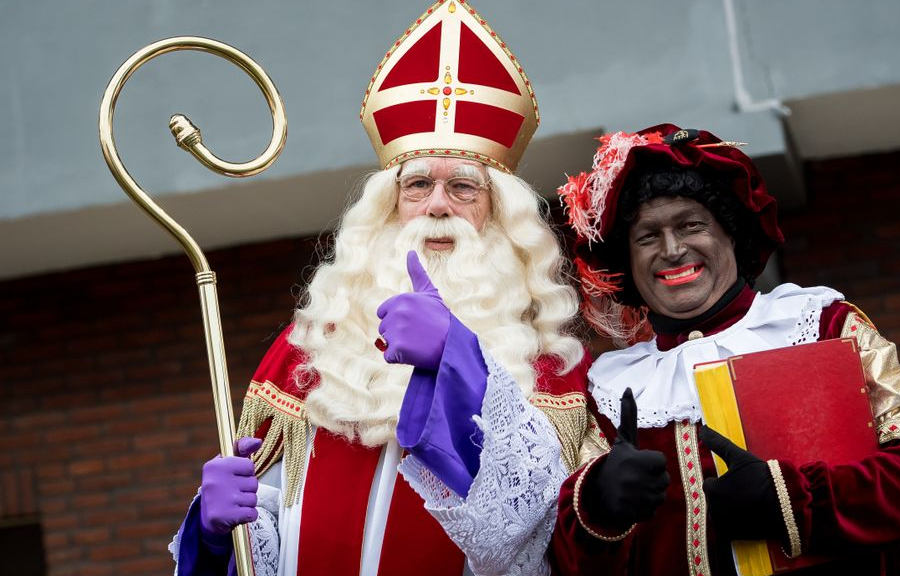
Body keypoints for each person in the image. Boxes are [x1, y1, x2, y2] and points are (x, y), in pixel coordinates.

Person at [168, 2, 606, 575]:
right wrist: (215, 535)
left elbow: (541, 546)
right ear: (389, 209)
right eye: (417, 184)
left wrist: (456, 360)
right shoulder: (313, 350)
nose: (437, 205)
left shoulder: (554, 371)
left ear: (501, 214)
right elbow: (269, 535)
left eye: (464, 188)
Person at [547, 125, 900, 575]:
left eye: (691, 224)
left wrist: (793, 499)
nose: (672, 250)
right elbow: (569, 564)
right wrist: (599, 508)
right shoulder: (608, 389)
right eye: (647, 236)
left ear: (731, 233)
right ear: (628, 263)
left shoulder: (823, 326)